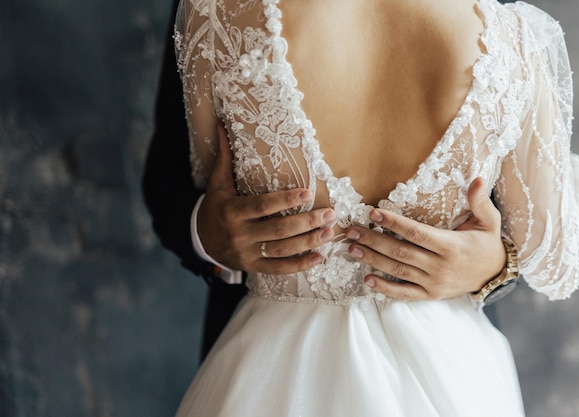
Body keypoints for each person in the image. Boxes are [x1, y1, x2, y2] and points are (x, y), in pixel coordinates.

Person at [173, 0, 579, 415]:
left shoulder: (218, 11)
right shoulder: (513, 39)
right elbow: (560, 261)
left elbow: (208, 173)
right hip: (451, 367)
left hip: (269, 367)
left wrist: (493, 264)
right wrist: (572, 178)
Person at [143, 0, 513, 358]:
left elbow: (531, 195)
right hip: (263, 350)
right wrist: (207, 235)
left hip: (448, 348)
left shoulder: (504, 18)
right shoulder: (213, 7)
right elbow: (169, 175)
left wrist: (497, 265)